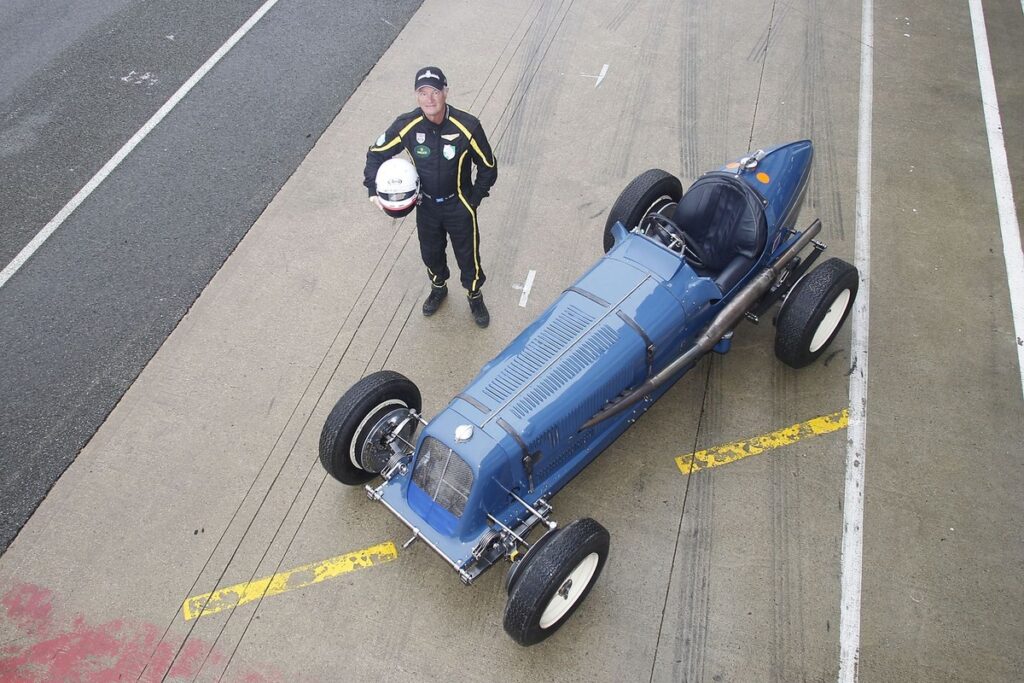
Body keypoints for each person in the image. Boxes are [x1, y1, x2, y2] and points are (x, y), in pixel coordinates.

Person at [364, 66, 498, 328]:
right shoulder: (407, 125)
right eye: (422, 92)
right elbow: (375, 153)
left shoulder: (468, 126)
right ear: (416, 96)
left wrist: (473, 199)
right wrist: (372, 188)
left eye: (434, 91)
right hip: (425, 206)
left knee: (468, 256)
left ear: (445, 92)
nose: (429, 99)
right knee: (431, 253)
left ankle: (474, 295)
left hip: (459, 205)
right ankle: (439, 287)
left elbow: (488, 166)